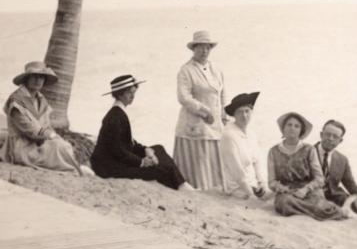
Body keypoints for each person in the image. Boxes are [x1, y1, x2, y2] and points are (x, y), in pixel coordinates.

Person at [91, 75, 194, 191]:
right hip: (109, 167)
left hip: (115, 161)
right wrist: (141, 162)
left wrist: (145, 149)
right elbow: (118, 151)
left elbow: (129, 143)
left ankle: (181, 185)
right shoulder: (115, 117)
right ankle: (181, 186)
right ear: (120, 94)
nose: (133, 96)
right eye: (129, 93)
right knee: (162, 169)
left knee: (158, 148)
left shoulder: (119, 112)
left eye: (134, 92)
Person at [0, 61, 82, 174]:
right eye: (34, 77)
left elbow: (46, 125)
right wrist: (51, 136)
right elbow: (29, 129)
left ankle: (73, 168)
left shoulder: (41, 99)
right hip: (23, 146)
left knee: (64, 146)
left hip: (39, 141)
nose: (38, 80)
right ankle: (74, 169)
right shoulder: (17, 100)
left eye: (41, 77)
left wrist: (53, 136)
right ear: (27, 79)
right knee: (59, 147)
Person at [267, 112, 346, 221]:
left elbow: (319, 179)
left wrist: (305, 190)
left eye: (296, 126)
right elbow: (271, 181)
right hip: (288, 194)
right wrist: (281, 188)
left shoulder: (309, 149)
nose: (292, 128)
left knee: (321, 206)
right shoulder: (273, 151)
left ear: (301, 131)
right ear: (283, 128)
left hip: (309, 191)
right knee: (283, 204)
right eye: (289, 125)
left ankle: (317, 210)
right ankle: (315, 212)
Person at [174, 30, 227, 190]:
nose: (205, 51)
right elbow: (184, 97)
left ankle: (216, 188)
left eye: (208, 48)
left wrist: (224, 113)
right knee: (198, 160)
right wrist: (204, 111)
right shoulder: (186, 70)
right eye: (201, 47)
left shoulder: (216, 70)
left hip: (215, 123)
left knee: (215, 158)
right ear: (194, 48)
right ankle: (197, 189)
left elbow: (222, 93)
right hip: (195, 121)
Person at [313, 119, 357, 216]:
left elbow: (350, 185)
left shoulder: (342, 159)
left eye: (335, 137)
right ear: (321, 135)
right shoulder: (307, 152)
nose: (330, 138)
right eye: (328, 134)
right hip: (311, 196)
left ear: (340, 141)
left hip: (335, 197)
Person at [221, 91, 269, 199]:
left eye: (247, 111)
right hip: (238, 188)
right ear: (234, 115)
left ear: (252, 112)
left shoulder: (251, 134)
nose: (244, 115)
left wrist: (262, 183)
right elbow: (237, 171)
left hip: (254, 185)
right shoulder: (228, 135)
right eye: (240, 112)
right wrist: (251, 194)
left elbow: (257, 162)